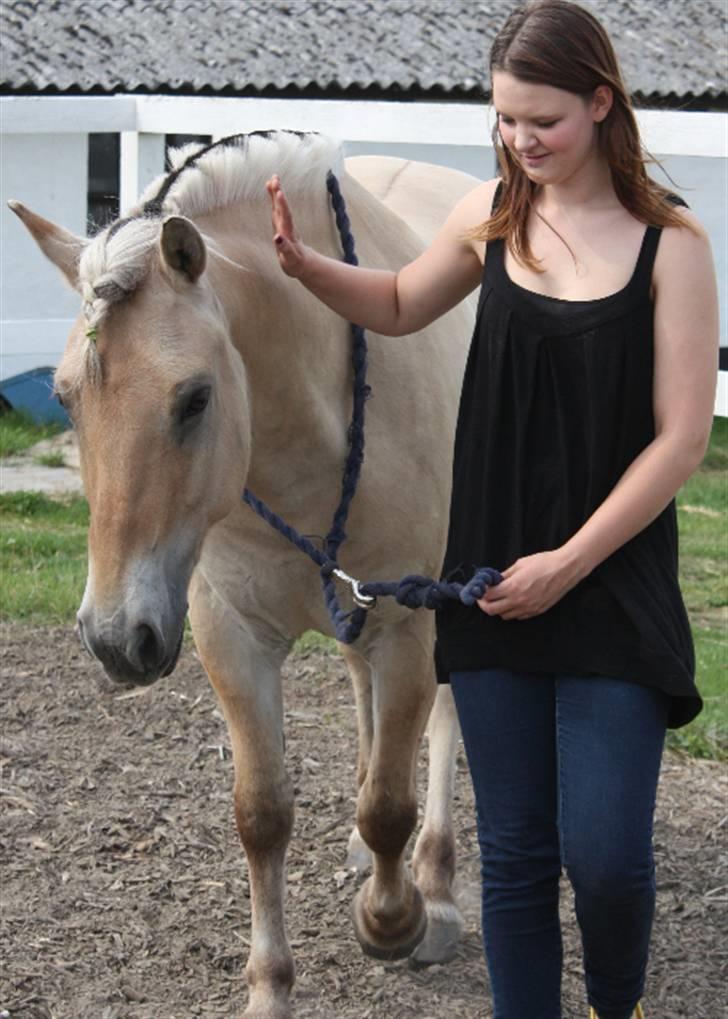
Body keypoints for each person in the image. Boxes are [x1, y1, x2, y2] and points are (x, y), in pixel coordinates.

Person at [265, 1, 719, 1016]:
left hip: (610, 586)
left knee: (602, 857)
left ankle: (616, 1001)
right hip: (488, 583)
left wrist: (566, 561)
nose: (520, 139)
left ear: (601, 103)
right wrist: (302, 268)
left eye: (541, 120)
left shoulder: (670, 245)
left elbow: (680, 439)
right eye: (504, 118)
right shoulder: (489, 217)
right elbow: (391, 301)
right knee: (512, 857)